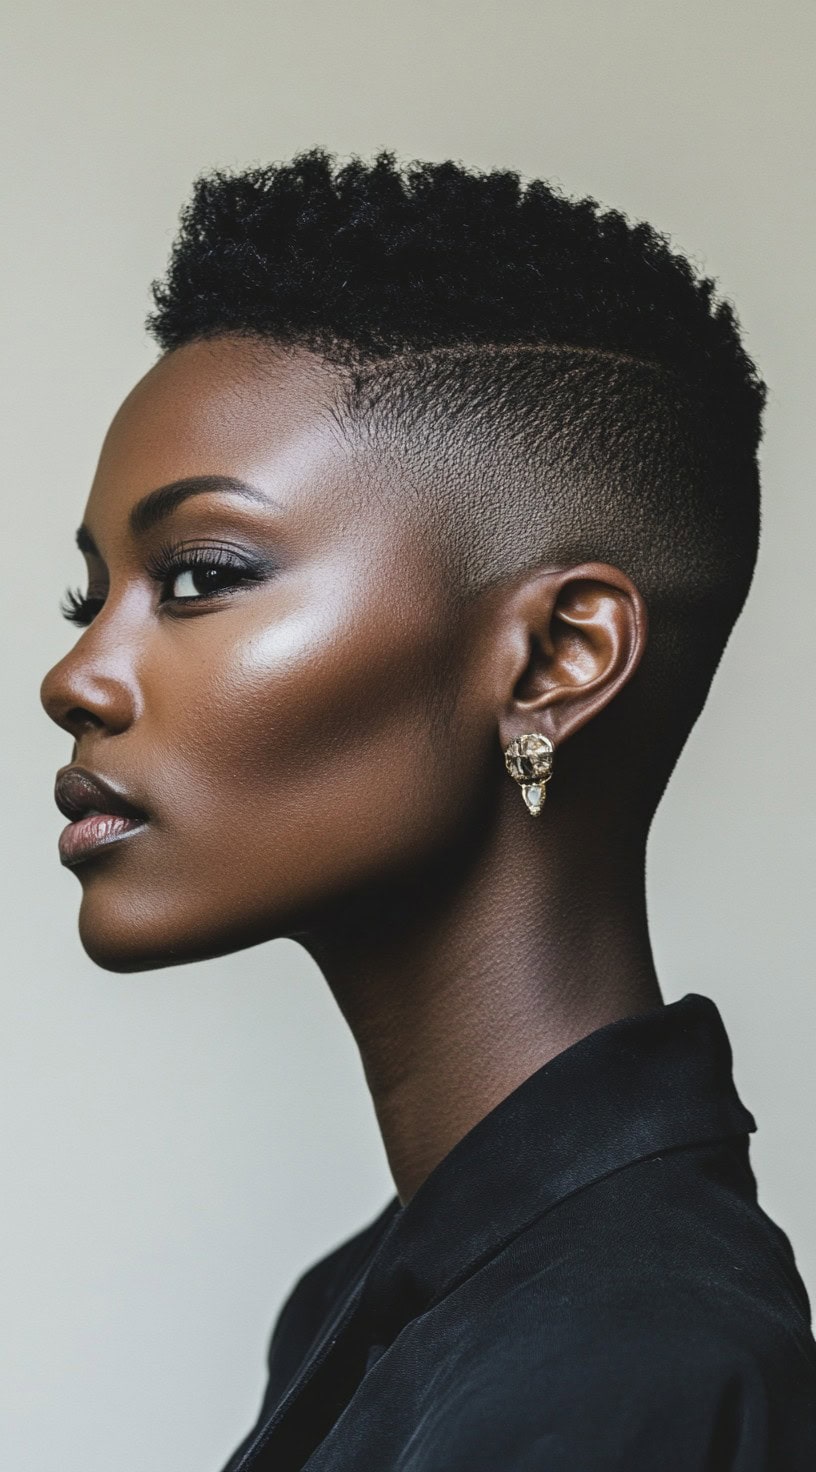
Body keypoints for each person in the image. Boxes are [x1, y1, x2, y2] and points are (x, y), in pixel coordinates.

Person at [40, 150, 816, 1470]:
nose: (76, 678)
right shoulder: (367, 1310)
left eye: (199, 575)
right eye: (90, 597)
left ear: (557, 659)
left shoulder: (625, 1371)